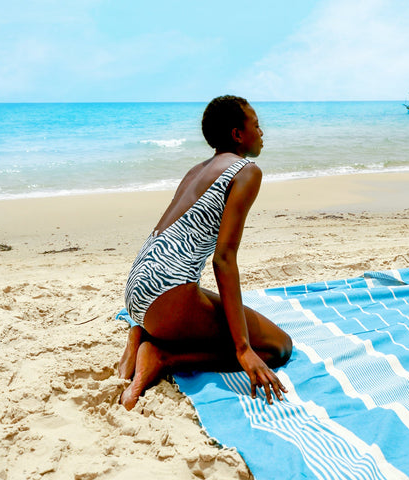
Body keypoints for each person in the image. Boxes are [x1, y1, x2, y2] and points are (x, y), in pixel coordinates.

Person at [118, 95, 292, 410]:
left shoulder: (197, 170)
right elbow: (223, 259)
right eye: (256, 125)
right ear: (238, 134)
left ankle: (139, 332)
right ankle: (163, 356)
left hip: (136, 286)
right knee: (278, 347)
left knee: (215, 305)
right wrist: (242, 349)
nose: (262, 132)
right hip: (165, 294)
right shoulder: (246, 171)